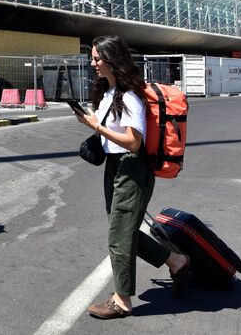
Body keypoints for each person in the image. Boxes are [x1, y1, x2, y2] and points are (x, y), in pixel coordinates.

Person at [74, 35, 189, 319]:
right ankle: (176, 261)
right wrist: (92, 122)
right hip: (115, 166)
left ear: (111, 60)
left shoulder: (129, 95)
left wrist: (96, 127)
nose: (93, 63)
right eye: (92, 58)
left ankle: (122, 300)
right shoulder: (110, 92)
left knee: (119, 235)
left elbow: (134, 142)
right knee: (123, 231)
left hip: (132, 168)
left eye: (97, 59)